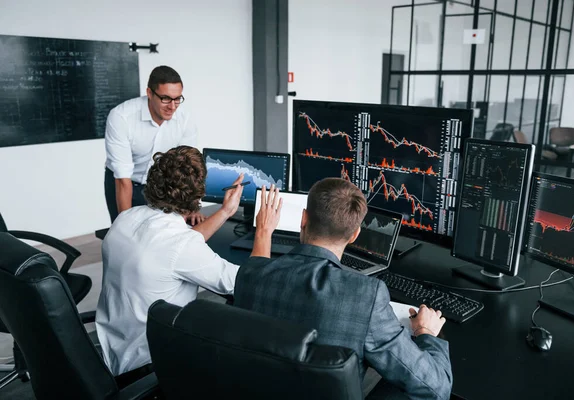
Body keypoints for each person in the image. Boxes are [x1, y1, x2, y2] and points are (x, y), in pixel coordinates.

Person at [234, 178, 452, 400]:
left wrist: (263, 233)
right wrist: (425, 332)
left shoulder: (249, 273)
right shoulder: (366, 294)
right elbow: (436, 386)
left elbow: (258, 266)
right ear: (355, 234)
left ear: (303, 219)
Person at [96, 145, 248, 387]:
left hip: (114, 350)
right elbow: (241, 283)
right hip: (152, 362)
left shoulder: (125, 219)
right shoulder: (180, 245)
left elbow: (178, 244)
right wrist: (263, 231)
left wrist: (225, 212)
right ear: (197, 196)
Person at [104, 65, 202, 224]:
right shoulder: (121, 117)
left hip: (160, 184)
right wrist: (126, 228)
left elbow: (188, 166)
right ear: (149, 93)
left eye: (177, 99)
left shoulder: (185, 119)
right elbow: (123, 179)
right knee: (124, 236)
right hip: (124, 180)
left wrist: (192, 207)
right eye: (165, 98)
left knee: (160, 236)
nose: (172, 106)